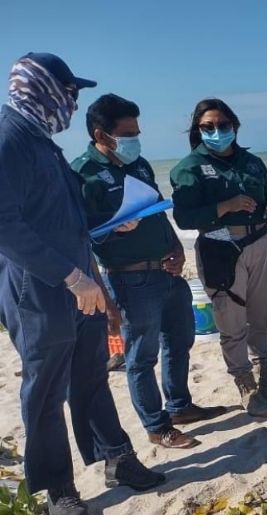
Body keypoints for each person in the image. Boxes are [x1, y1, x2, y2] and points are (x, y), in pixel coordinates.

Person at [0, 53, 164, 515]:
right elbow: (5, 225)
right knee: (46, 391)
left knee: (90, 376)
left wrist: (112, 225)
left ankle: (117, 458)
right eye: (69, 91)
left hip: (80, 286)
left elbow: (62, 219)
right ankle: (58, 488)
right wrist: (71, 277)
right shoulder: (10, 138)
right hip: (40, 289)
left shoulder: (41, 141)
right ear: (43, 89)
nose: (72, 103)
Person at [72, 94, 229, 449]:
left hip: (167, 269)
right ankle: (157, 427)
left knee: (180, 340)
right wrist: (112, 230)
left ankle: (179, 406)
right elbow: (80, 236)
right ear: (102, 134)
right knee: (141, 356)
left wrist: (176, 248)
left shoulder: (138, 164)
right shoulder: (84, 173)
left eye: (137, 132)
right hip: (130, 278)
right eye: (128, 133)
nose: (135, 140)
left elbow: (158, 210)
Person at [170, 98, 267, 418]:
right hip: (220, 247)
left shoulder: (252, 162)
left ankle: (265, 380)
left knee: (264, 313)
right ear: (197, 130)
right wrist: (225, 207)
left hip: (262, 241)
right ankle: (246, 388)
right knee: (231, 320)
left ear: (234, 126)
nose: (217, 131)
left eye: (223, 125)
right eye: (207, 127)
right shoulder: (188, 169)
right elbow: (183, 217)